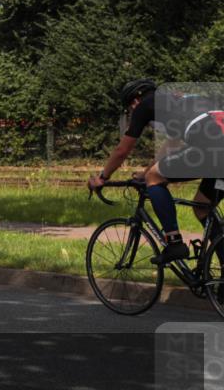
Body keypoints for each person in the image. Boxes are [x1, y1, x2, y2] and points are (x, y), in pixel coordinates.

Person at [89, 79, 224, 264]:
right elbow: (171, 146)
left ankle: (174, 243)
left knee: (154, 178)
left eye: (129, 109)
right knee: (202, 207)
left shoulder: (144, 105)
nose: (132, 112)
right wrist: (146, 172)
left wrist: (102, 177)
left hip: (212, 148)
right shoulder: (183, 101)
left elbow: (122, 150)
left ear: (134, 101)